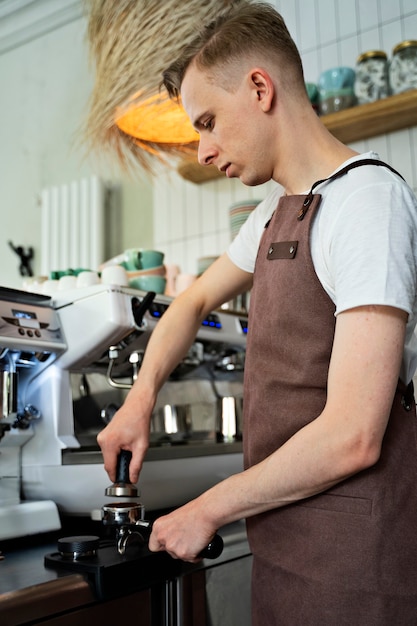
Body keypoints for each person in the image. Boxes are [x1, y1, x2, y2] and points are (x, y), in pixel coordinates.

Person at [97, 1, 417, 623]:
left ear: (261, 88)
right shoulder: (276, 215)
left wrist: (208, 508)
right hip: (286, 545)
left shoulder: (368, 203)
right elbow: (189, 301)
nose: (204, 149)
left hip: (358, 565)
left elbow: (353, 436)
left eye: (209, 122)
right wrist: (138, 401)